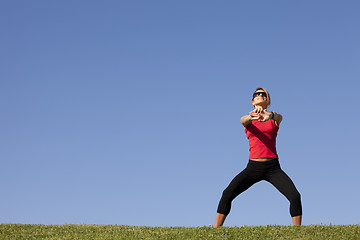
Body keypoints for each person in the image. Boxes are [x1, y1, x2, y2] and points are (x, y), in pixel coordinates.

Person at [214, 87, 302, 228]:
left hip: (273, 168)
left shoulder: (274, 118)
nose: (260, 95)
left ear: (267, 100)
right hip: (253, 167)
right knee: (227, 193)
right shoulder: (248, 120)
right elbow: (242, 120)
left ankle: (298, 232)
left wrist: (270, 115)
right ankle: (216, 230)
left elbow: (280, 117)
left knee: (295, 196)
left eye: (263, 94)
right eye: (257, 94)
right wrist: (252, 116)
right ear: (253, 101)